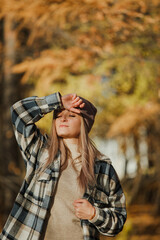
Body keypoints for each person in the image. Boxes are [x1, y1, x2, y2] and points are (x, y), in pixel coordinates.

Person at [0, 92, 127, 240]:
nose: (63, 119)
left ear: (84, 123)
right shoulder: (41, 152)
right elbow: (18, 112)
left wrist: (94, 214)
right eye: (58, 116)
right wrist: (57, 101)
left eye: (72, 115)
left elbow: (118, 221)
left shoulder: (102, 168)